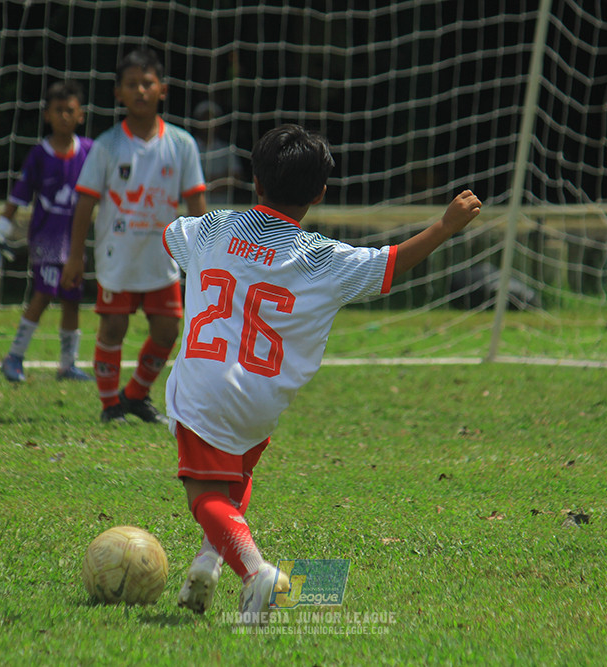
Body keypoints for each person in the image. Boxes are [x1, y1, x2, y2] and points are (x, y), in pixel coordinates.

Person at [163, 124, 483, 625]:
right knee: (235, 478)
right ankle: (206, 564)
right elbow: (391, 266)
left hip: (204, 392)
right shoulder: (323, 259)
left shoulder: (210, 230)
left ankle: (255, 573)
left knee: (203, 494)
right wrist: (444, 227)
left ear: (256, 182)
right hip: (264, 400)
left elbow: (171, 236)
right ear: (320, 193)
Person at [60, 47, 207, 424]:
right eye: (131, 85)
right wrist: (76, 256)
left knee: (168, 329)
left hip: (162, 256)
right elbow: (85, 204)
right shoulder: (107, 145)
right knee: (114, 325)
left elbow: (197, 206)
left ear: (163, 89)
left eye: (147, 83)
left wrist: (205, 257)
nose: (140, 90)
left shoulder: (181, 144)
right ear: (118, 93)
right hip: (118, 255)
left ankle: (135, 395)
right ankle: (110, 406)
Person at [0, 81, 94, 383]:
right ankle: (14, 356)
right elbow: (16, 198)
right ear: (47, 115)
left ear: (80, 115)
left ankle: (68, 364)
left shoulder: (89, 152)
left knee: (71, 299)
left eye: (70, 111)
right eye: (58, 111)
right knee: (44, 294)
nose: (64, 117)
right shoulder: (39, 156)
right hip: (46, 240)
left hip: (74, 244)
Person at [193, 100, 243, 204]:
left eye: (212, 119)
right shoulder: (190, 147)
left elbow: (236, 178)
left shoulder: (228, 149)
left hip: (222, 208)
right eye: (205, 118)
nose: (209, 123)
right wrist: (221, 178)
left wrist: (204, 181)